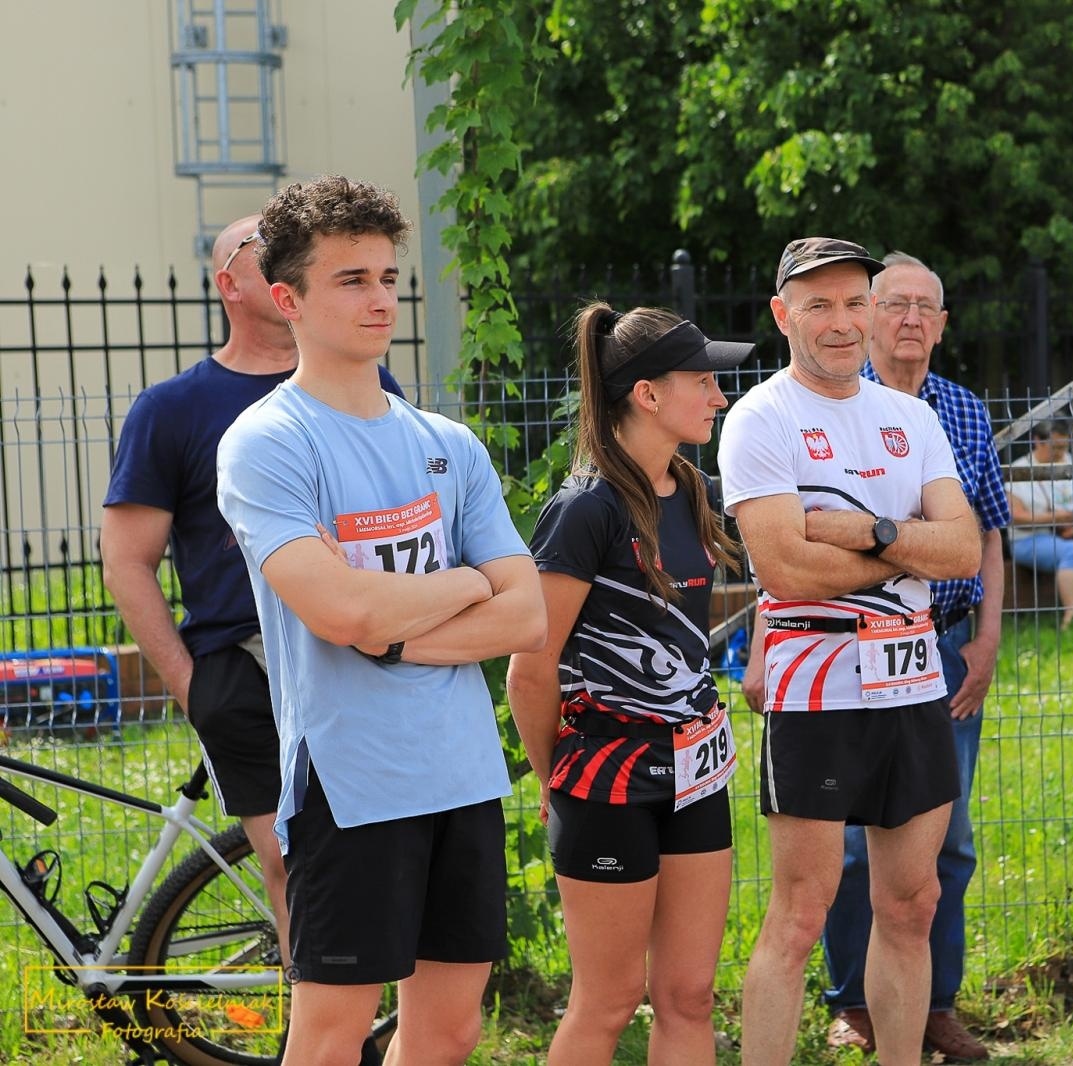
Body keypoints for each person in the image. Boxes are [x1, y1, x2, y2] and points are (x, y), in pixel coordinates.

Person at [215, 176, 547, 1066]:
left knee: (450, 1032)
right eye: (352, 279)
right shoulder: (267, 443)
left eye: (388, 277)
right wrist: (467, 582)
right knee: (331, 1036)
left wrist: (393, 631)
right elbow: (339, 609)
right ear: (287, 299)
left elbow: (526, 614)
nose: (380, 299)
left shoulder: (448, 443)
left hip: (461, 771)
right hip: (352, 780)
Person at [101, 213, 406, 991]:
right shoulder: (172, 409)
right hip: (243, 666)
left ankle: (382, 1025)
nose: (283, 249)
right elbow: (127, 562)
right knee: (292, 862)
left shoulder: (369, 387)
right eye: (260, 243)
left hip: (368, 652)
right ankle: (333, 1035)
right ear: (229, 283)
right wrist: (190, 682)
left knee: (385, 849)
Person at [719, 237, 981, 1066]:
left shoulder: (912, 417)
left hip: (912, 682)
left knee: (912, 903)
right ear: (782, 314)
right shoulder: (761, 417)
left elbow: (964, 550)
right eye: (819, 305)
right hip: (816, 689)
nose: (841, 322)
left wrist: (865, 530)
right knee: (801, 914)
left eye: (855, 302)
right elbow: (786, 569)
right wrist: (907, 551)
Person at [505, 303, 752, 1064]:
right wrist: (554, 779)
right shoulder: (584, 510)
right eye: (702, 381)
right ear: (647, 394)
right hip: (605, 778)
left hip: (696, 770)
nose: (718, 397)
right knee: (609, 1003)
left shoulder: (692, 487)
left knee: (690, 997)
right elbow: (530, 670)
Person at [1006, 420, 1073, 629]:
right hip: (1028, 538)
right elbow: (1015, 517)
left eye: (1064, 447)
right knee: (1070, 552)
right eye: (1055, 447)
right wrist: (1056, 518)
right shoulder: (1018, 469)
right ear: (1037, 441)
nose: (1060, 453)